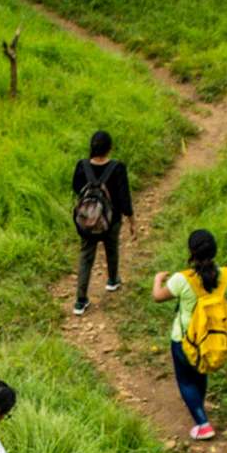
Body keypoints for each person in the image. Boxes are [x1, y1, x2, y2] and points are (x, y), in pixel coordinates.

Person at [153, 229, 227, 440]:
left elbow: (158, 297)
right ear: (214, 250)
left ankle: (203, 423)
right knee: (201, 373)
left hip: (184, 339)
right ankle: (200, 409)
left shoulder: (183, 279)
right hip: (212, 339)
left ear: (191, 252)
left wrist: (158, 279)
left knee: (185, 380)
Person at [71, 130, 136, 316]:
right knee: (112, 248)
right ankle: (112, 280)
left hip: (87, 221)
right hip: (111, 220)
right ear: (109, 148)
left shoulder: (82, 166)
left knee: (86, 257)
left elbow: (76, 187)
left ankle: (80, 300)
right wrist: (131, 220)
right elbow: (125, 198)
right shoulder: (117, 168)